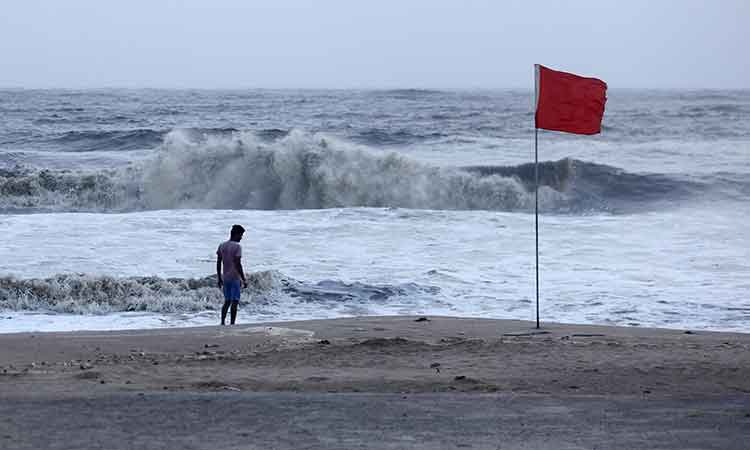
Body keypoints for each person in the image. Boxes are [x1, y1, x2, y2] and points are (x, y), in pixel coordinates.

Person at [216, 224, 248, 325]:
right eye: (241, 235)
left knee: (227, 301)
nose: (241, 237)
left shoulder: (222, 245)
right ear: (236, 234)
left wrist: (219, 277)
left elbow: (218, 262)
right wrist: (243, 278)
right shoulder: (237, 247)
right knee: (235, 301)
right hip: (234, 277)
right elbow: (238, 264)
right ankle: (232, 323)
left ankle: (222, 322)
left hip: (225, 277)